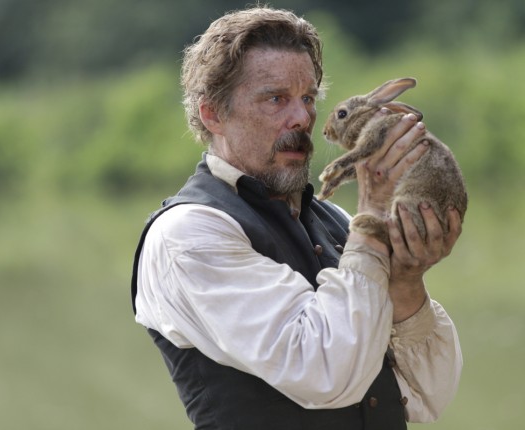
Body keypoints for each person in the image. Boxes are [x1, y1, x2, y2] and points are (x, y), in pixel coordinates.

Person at [131, 6, 462, 430]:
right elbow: (325, 373)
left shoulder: (337, 219)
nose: (303, 118)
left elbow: (428, 395)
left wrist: (406, 283)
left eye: (308, 98)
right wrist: (374, 216)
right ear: (213, 113)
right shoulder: (187, 235)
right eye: (276, 99)